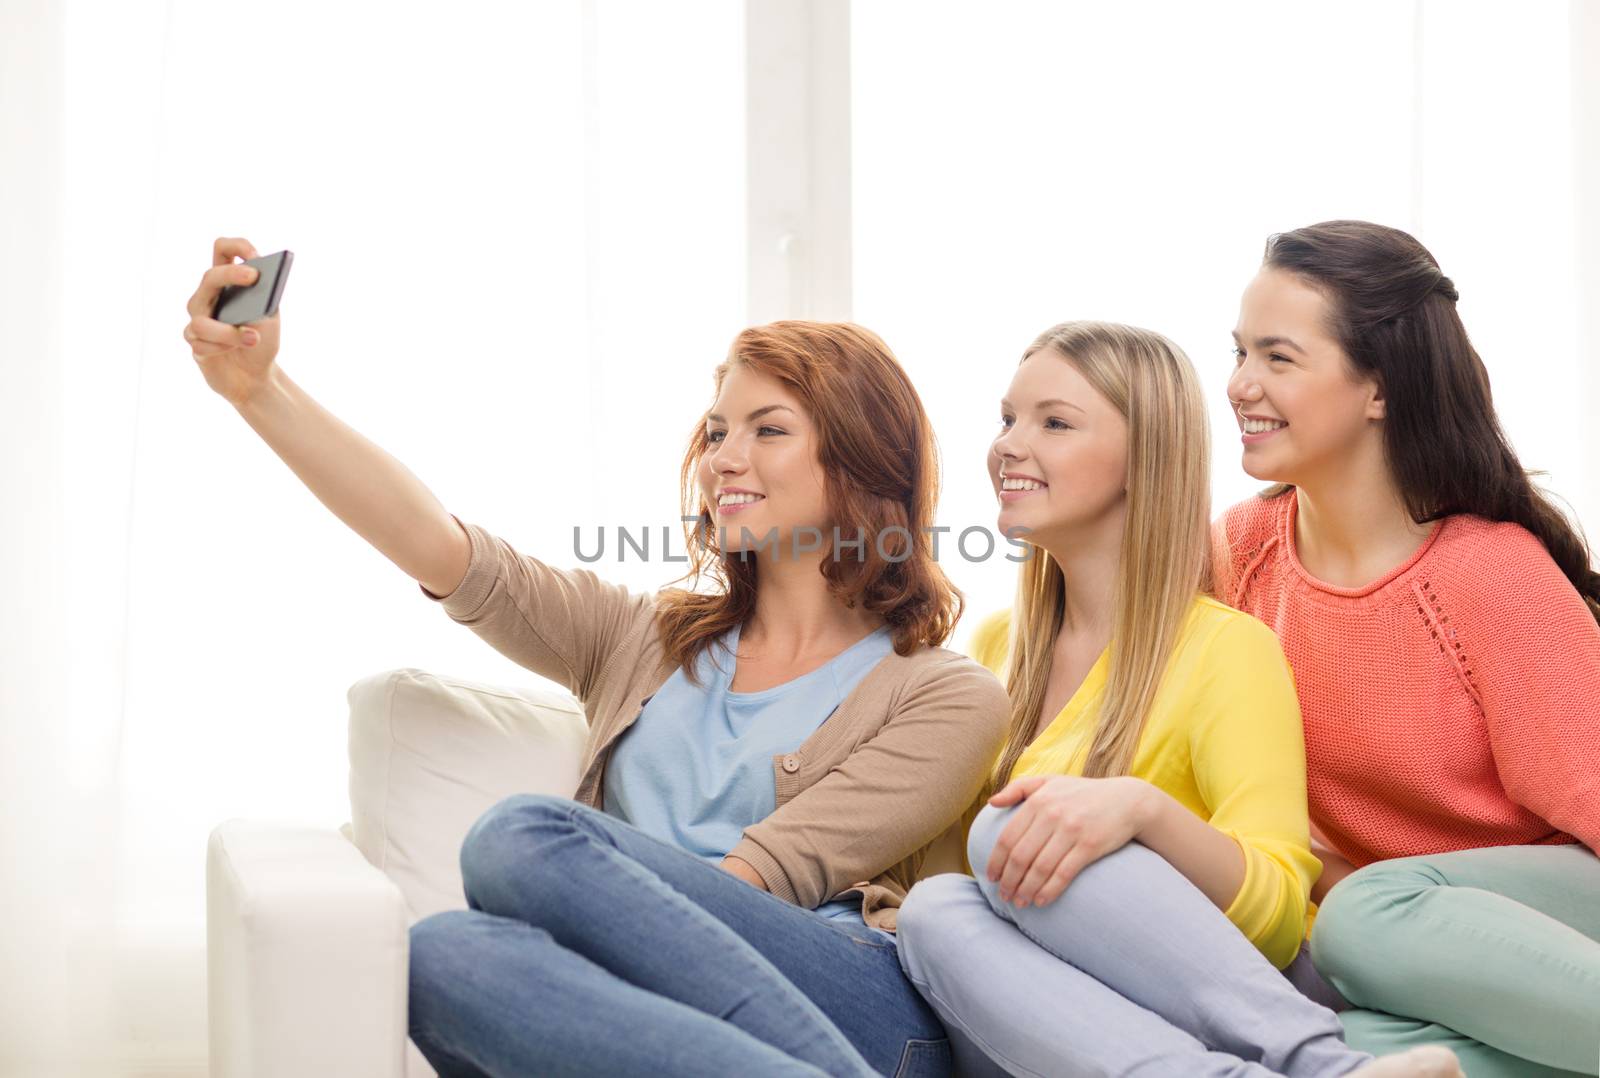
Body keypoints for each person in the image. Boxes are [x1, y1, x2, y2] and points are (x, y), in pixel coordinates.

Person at [182, 236, 1010, 1077]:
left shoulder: (944, 695)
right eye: (719, 430)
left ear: (863, 460)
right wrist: (262, 393)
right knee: (442, 956)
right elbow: (439, 545)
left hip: (849, 1007)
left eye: (769, 430)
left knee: (520, 838)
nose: (725, 457)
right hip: (692, 1023)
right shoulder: (639, 638)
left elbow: (762, 880)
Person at [894, 320, 1460, 1077]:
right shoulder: (996, 648)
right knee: (933, 911)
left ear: (1143, 459)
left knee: (1010, 834)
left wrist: (1142, 812)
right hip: (1084, 1023)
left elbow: (1280, 917)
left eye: (1054, 422)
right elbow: (941, 879)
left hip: (1236, 997)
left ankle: (1325, 1065)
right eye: (1007, 419)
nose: (1007, 445)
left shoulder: (1224, 649)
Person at [1214, 219, 1600, 1078]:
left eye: (1278, 358)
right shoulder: (1238, 554)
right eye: (1239, 354)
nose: (1240, 385)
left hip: (1552, 914)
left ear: (1379, 388)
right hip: (1403, 958)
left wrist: (1342, 880)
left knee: (1364, 912)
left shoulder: (1486, 572)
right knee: (1342, 1053)